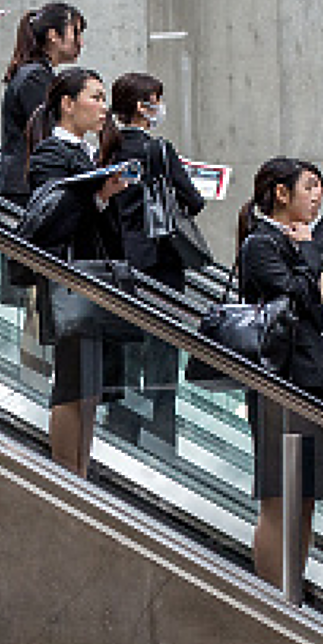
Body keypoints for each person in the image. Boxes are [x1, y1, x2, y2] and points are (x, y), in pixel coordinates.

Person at [235, 157, 323, 588]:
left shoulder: (298, 244)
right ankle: (274, 598)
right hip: (279, 383)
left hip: (313, 382)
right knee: (279, 500)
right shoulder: (261, 244)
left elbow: (319, 307)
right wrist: (311, 250)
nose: (317, 195)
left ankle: (292, 587)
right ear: (282, 193)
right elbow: (298, 295)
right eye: (309, 186)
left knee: (308, 498)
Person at [20, 67, 133, 477]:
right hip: (70, 280)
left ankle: (79, 471)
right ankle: (68, 476)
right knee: (73, 386)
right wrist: (96, 194)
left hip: (92, 279)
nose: (103, 108)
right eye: (95, 97)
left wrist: (102, 196)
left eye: (104, 99)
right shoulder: (53, 153)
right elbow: (50, 219)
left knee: (89, 389)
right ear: (67, 105)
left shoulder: (88, 154)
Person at [109, 71, 205, 446]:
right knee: (162, 365)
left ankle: (121, 438)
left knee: (126, 360)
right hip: (159, 265)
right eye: (156, 99)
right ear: (141, 106)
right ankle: (162, 443)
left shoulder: (108, 145)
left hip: (120, 261)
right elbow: (192, 201)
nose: (159, 107)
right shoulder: (157, 149)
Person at [0, 2, 85, 308]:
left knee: (37, 297)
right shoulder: (36, 78)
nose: (80, 41)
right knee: (36, 296)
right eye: (76, 32)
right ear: (53, 36)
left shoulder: (34, 73)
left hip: (23, 189)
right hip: (27, 193)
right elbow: (45, 137)